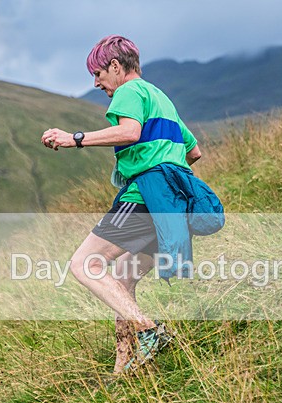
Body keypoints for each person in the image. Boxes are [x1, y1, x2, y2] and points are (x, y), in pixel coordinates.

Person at [41, 35, 204, 375]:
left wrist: (76, 139)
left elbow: (129, 132)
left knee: (85, 264)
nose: (97, 82)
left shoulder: (129, 91)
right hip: (172, 203)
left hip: (144, 194)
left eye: (99, 73)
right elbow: (193, 151)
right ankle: (123, 365)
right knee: (123, 279)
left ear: (116, 66)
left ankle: (150, 329)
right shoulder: (161, 98)